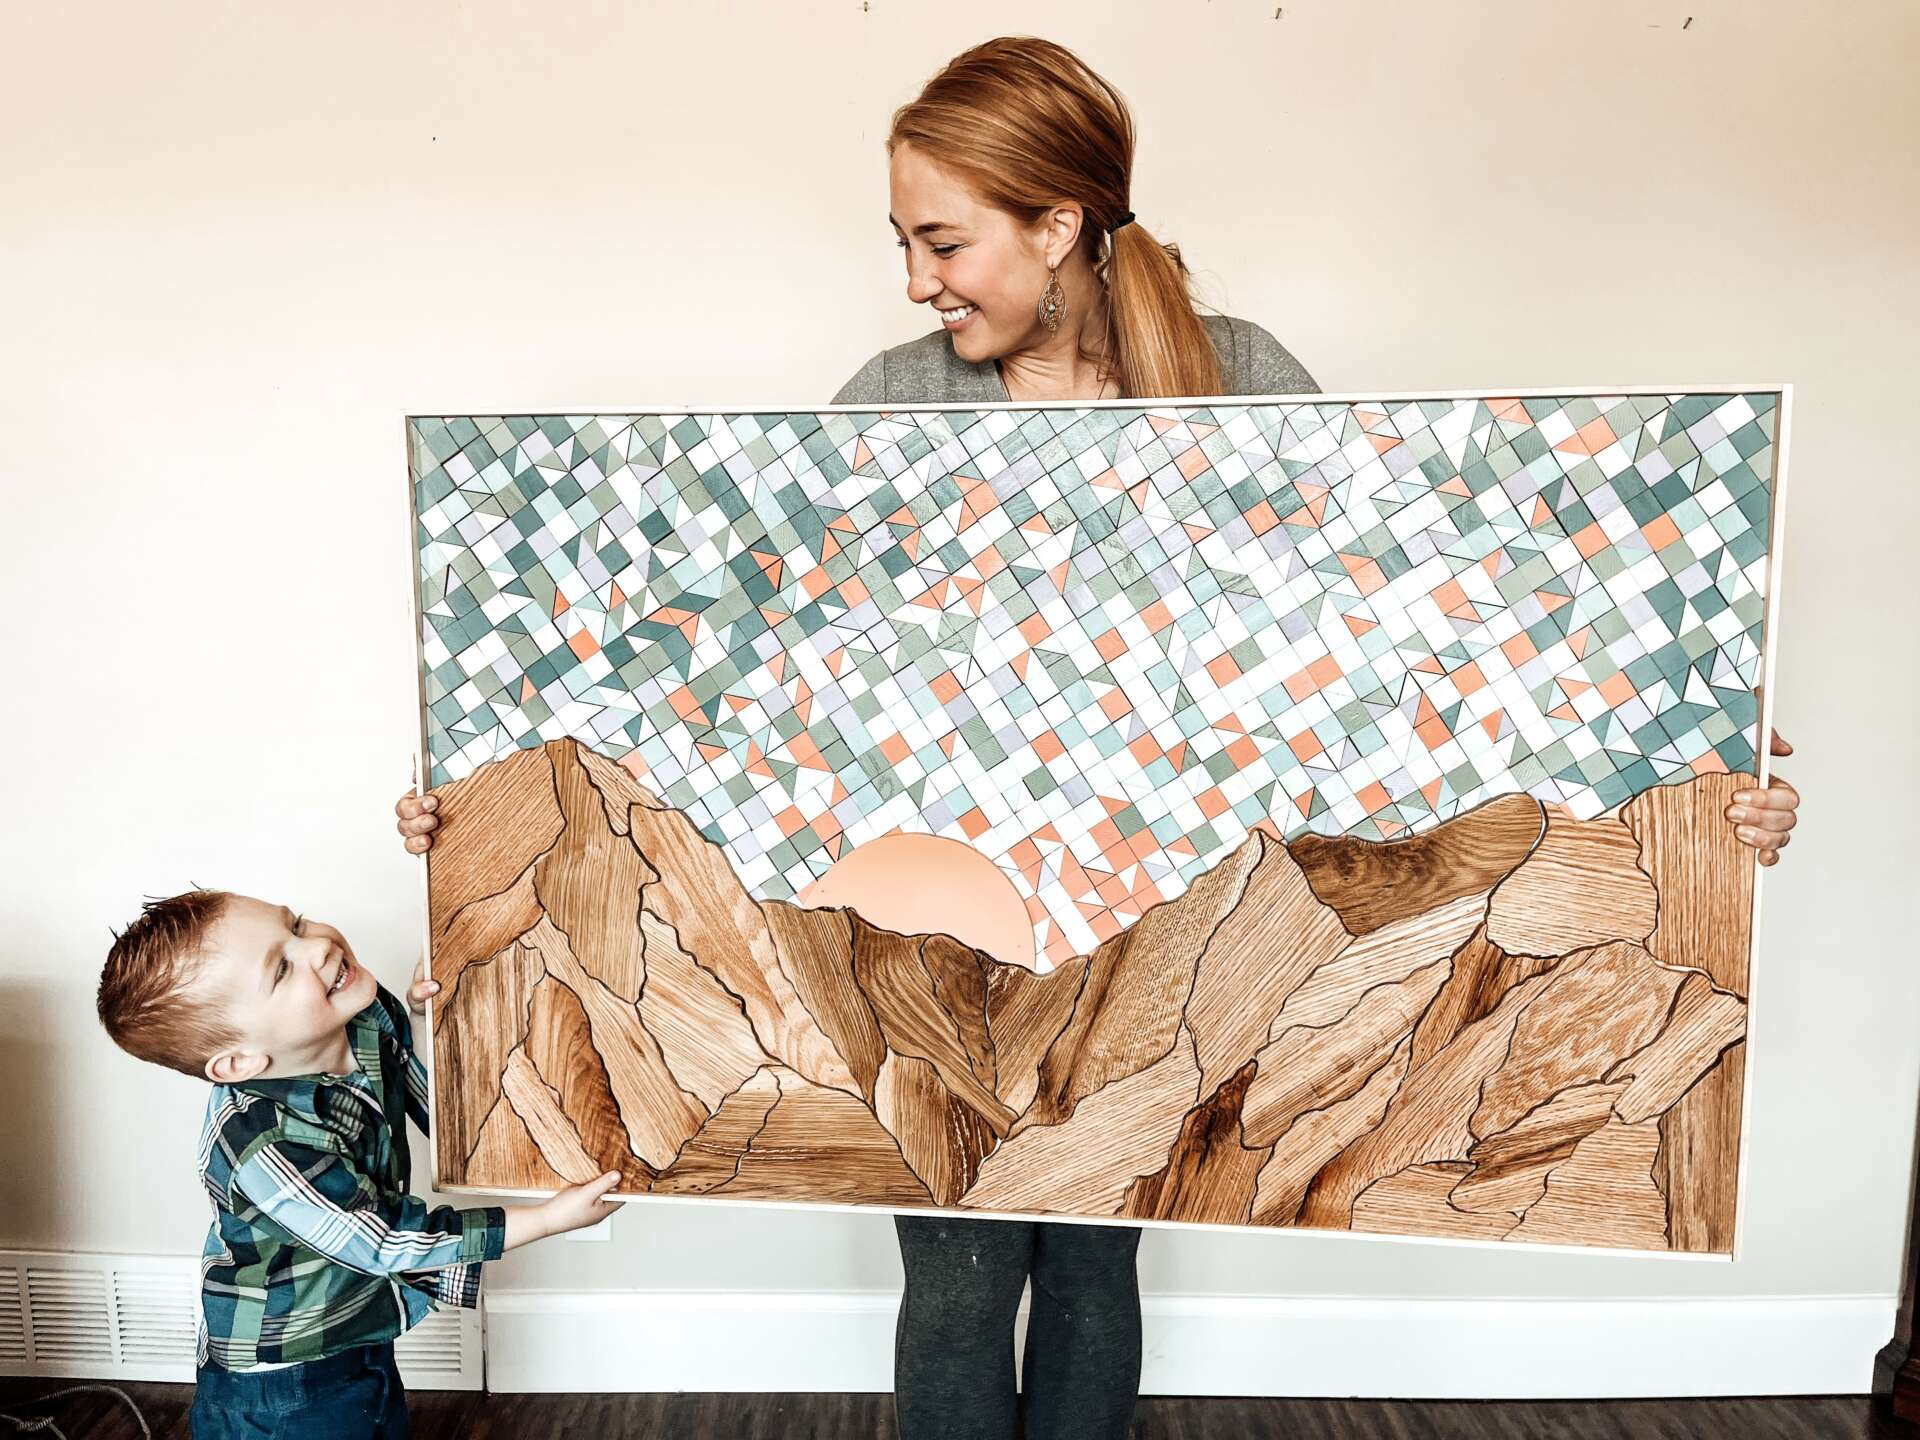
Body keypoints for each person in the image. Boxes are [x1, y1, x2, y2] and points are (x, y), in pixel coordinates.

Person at [394, 35, 1802, 1439]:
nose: (916, 280)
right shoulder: (896, 400)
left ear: (1058, 223)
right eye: (904, 243)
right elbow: (750, 654)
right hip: (940, 930)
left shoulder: (1242, 376)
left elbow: (1394, 628)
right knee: (956, 1275)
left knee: (1094, 1258)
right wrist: (483, 800)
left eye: (944, 241)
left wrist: (1696, 762)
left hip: (1162, 921)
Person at [96, 889, 620, 1440]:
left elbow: (430, 1103)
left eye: (296, 924)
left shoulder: (365, 1014)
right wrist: (547, 1219)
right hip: (284, 1382)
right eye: (281, 969)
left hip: (353, 1323)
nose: (317, 947)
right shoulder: (262, 1146)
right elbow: (383, 1239)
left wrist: (432, 1018)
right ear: (240, 1061)